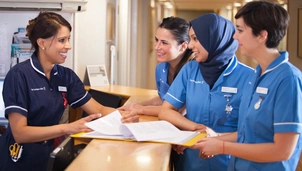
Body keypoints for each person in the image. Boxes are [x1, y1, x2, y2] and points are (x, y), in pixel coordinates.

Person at [0, 12, 138, 171]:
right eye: (61, 40)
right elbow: (20, 133)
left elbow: (98, 109)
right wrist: (68, 128)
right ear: (42, 43)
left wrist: (125, 116)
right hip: (21, 158)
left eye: (68, 39)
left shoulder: (65, 76)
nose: (68, 46)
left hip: (51, 152)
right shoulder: (19, 76)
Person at [192, 1, 302, 171]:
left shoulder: (288, 80)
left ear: (261, 35)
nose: (235, 36)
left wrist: (222, 147)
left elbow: (282, 150)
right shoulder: (255, 76)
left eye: (240, 30)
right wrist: (216, 139)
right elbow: (248, 133)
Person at [158, 13, 254, 171]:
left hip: (228, 162)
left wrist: (216, 140)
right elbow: (166, 111)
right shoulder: (190, 70)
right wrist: (196, 129)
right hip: (190, 161)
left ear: (215, 40)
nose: (190, 46)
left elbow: (251, 131)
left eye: (195, 39)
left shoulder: (249, 78)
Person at [119, 16, 193, 116]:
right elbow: (163, 99)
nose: (156, 47)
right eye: (157, 40)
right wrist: (135, 106)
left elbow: (178, 110)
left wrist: (141, 109)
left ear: (183, 46)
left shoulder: (193, 72)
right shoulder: (161, 68)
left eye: (164, 43)